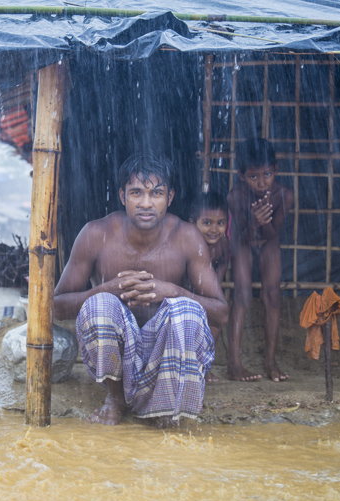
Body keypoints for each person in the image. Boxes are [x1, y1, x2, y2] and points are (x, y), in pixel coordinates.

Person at [54, 154, 228, 427]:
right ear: (122, 196)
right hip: (116, 360)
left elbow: (221, 314)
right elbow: (57, 306)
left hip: (167, 358)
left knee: (187, 310)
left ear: (169, 198)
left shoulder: (186, 236)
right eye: (137, 193)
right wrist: (106, 290)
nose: (146, 203)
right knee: (100, 304)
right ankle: (115, 399)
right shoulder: (95, 234)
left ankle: (166, 409)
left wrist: (173, 291)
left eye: (156, 193)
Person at [226, 138, 293, 382]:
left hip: (269, 240)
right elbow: (243, 236)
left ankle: (270, 361)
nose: (261, 182)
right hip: (243, 240)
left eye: (266, 174)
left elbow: (272, 233)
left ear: (275, 169)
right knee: (242, 294)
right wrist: (254, 222)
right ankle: (233, 363)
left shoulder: (284, 196)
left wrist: (262, 224)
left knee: (272, 295)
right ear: (241, 175)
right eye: (253, 176)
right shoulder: (235, 196)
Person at [189, 191, 230, 382]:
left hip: (206, 294)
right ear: (192, 223)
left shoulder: (223, 244)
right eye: (207, 223)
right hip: (187, 293)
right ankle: (187, 365)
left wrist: (217, 282)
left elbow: (223, 262)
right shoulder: (188, 243)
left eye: (220, 223)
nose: (214, 229)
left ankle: (203, 366)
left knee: (214, 324)